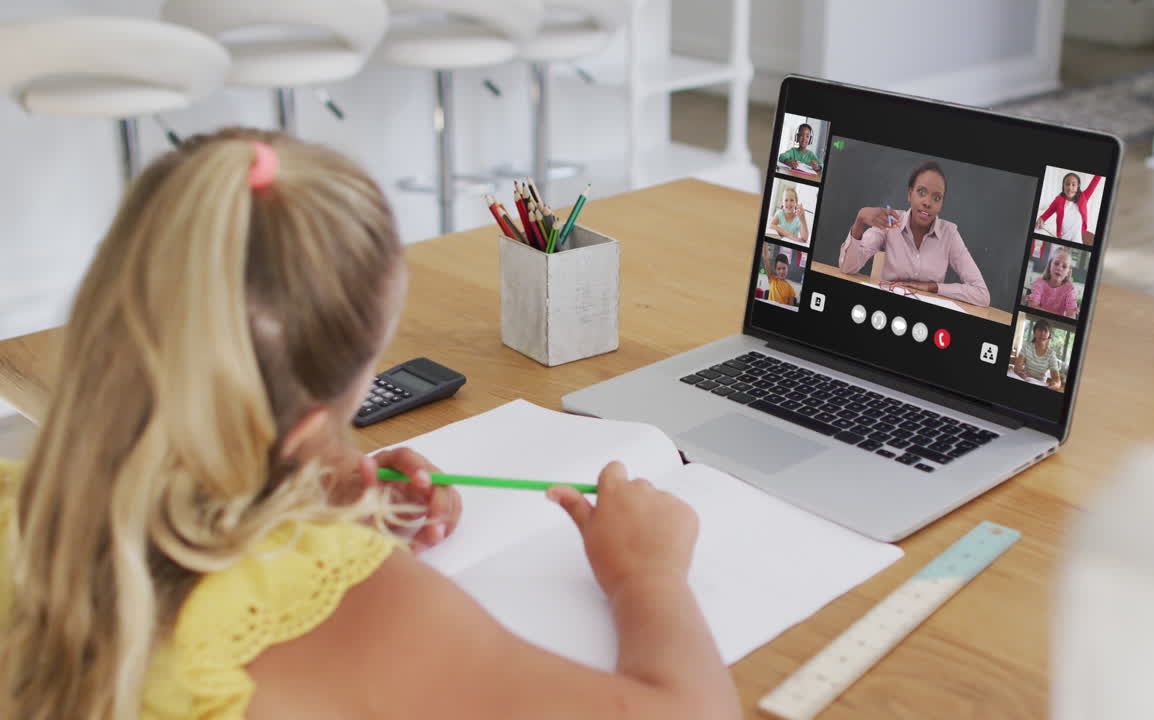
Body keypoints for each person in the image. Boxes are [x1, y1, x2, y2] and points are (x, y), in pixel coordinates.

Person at [0, 129, 740, 720]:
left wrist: (292, 504)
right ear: (305, 427)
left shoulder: (17, 508)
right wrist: (646, 575)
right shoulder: (348, 611)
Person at [838, 161, 991, 307]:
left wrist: (932, 287)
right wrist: (860, 220)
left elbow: (981, 294)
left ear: (942, 204)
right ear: (910, 194)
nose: (928, 202)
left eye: (936, 197)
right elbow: (847, 268)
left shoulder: (949, 234)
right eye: (921, 192)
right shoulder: (890, 221)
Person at [1036, 171, 1102, 245]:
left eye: (1073, 185)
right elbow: (1048, 212)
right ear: (1063, 186)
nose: (1070, 187)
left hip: (1077, 237)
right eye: (1067, 184)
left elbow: (1095, 182)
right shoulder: (1058, 200)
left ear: (1078, 187)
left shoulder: (1084, 197)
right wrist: (1041, 219)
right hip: (1063, 237)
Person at [1024, 245, 1080, 319]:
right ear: (1050, 265)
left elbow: (1071, 316)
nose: (1059, 268)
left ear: (1068, 272)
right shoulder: (1039, 283)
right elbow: (1031, 307)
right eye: (1056, 263)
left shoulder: (1070, 289)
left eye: (1064, 266)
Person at [1013, 318, 1064, 391]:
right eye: (1040, 330)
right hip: (1024, 380)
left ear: (1049, 334)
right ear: (1035, 332)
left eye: (1045, 330)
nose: (1042, 333)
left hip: (1040, 386)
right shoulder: (1027, 346)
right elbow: (1017, 367)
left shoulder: (1051, 354)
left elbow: (1057, 381)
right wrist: (1019, 372)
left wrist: (1054, 385)